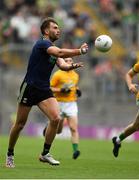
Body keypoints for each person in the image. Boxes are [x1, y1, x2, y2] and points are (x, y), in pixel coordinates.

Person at [5, 17, 88, 168]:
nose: (58, 30)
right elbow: (61, 53)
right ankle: (10, 154)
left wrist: (72, 66)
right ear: (46, 31)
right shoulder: (43, 43)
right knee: (20, 124)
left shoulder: (53, 48)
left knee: (56, 119)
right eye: (55, 27)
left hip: (44, 89)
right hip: (29, 87)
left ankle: (45, 154)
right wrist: (79, 51)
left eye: (58, 28)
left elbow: (62, 64)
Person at [43, 57, 82, 160]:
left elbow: (74, 86)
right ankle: (48, 127)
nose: (70, 62)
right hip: (59, 103)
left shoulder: (75, 75)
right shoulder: (58, 74)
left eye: (71, 61)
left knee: (73, 128)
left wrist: (77, 90)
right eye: (67, 61)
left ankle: (76, 150)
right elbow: (49, 88)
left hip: (71, 103)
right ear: (63, 62)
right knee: (58, 131)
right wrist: (61, 90)